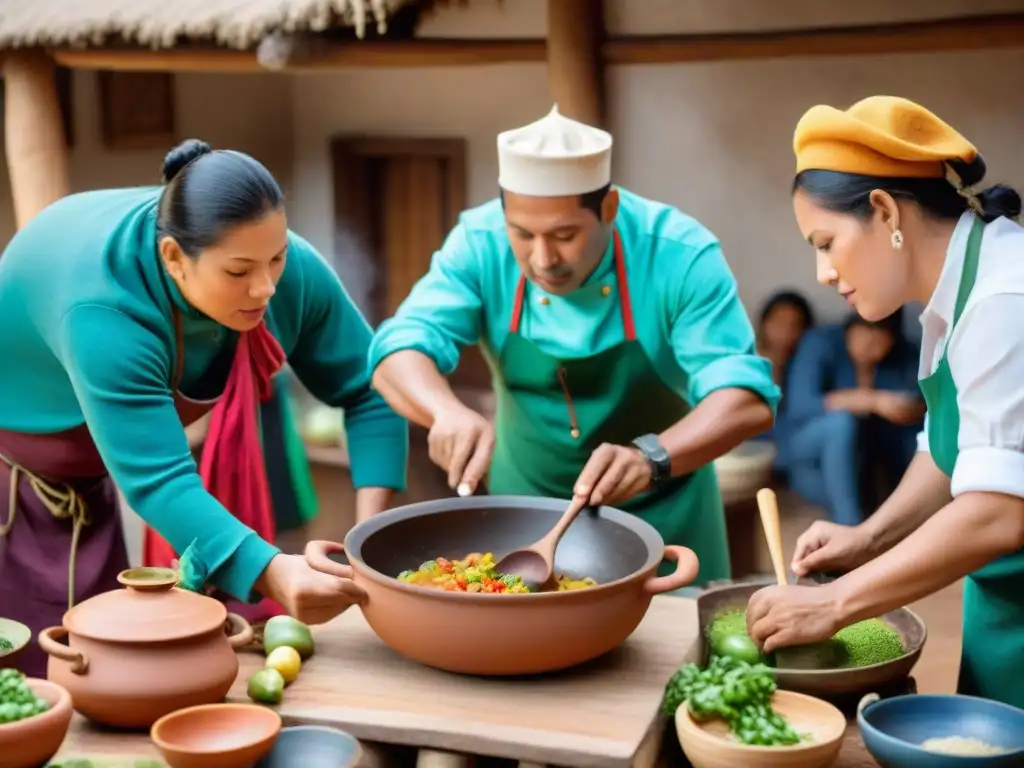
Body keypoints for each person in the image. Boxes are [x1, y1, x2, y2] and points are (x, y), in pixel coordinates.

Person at [0, 139, 407, 676]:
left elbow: (371, 386)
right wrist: (272, 571)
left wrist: (364, 549)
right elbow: (161, 483)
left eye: (276, 258)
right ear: (173, 258)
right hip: (21, 484)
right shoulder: (105, 312)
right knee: (42, 680)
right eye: (239, 272)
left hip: (98, 468)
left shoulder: (279, 269)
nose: (264, 288)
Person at [366, 106, 780, 586]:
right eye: (522, 235)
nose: (542, 259)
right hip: (523, 518)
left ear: (609, 209)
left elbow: (746, 399)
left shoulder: (678, 254)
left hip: (666, 516)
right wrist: (444, 411)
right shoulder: (479, 243)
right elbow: (398, 347)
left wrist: (653, 458)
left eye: (564, 236)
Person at [746, 96, 1024, 708]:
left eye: (825, 242)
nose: (821, 271)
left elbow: (999, 511)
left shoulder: (1004, 295)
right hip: (1003, 604)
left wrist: (832, 603)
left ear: (883, 210)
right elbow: (953, 450)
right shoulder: (950, 295)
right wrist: (869, 537)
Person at [781, 310, 923, 525]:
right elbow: (800, 406)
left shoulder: (904, 354)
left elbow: (918, 403)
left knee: (916, 433)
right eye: (863, 333)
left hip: (865, 459)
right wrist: (870, 401)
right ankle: (850, 525)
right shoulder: (821, 342)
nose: (868, 344)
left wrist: (904, 408)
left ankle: (914, 517)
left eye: (879, 337)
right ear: (850, 328)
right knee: (840, 424)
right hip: (808, 454)